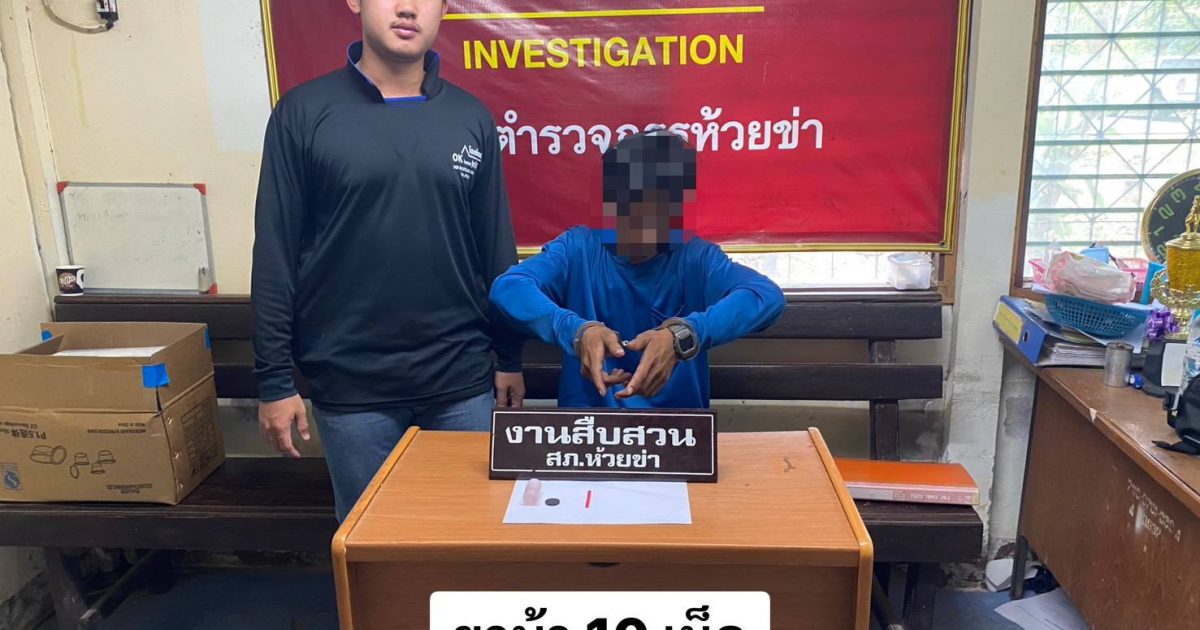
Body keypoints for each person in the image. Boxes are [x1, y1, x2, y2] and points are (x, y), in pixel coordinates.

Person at [252, 0, 524, 521]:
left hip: (461, 382)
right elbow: (275, 254)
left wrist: (509, 357)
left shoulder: (469, 117)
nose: (406, 8)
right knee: (372, 546)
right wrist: (275, 381)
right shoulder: (303, 114)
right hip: (352, 386)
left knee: (470, 535)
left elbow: (494, 247)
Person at [489, 131, 784, 408]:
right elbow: (509, 287)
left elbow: (766, 296)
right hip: (585, 429)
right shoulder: (578, 247)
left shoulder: (696, 257)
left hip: (677, 431)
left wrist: (683, 335)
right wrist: (577, 331)